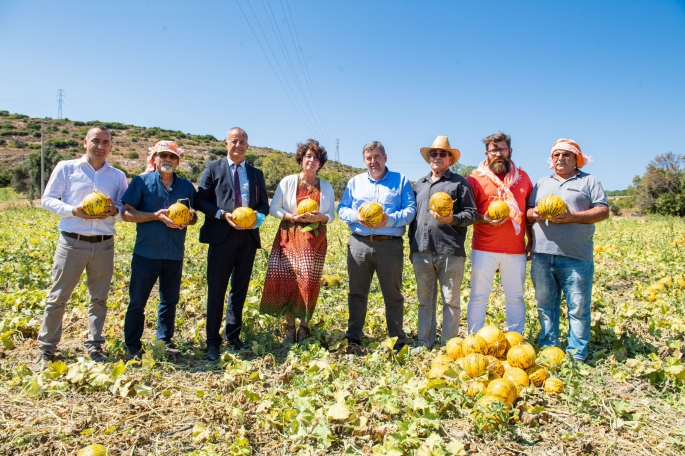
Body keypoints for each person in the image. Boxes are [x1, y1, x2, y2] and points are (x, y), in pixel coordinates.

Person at [36, 126, 128, 369]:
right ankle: (46, 349)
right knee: (58, 297)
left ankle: (94, 344)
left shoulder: (117, 175)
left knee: (99, 298)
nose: (100, 146)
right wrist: (72, 210)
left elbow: (123, 208)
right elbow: (47, 199)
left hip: (104, 245)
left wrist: (115, 211)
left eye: (105, 142)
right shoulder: (67, 168)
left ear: (111, 146)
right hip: (71, 243)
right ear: (85, 142)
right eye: (95, 141)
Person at [527, 138, 609, 363]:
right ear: (551, 160)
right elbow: (527, 212)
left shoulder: (589, 181)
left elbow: (603, 211)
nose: (560, 159)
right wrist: (535, 214)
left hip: (576, 256)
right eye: (556, 155)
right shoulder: (542, 182)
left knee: (578, 307)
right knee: (545, 305)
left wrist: (573, 217)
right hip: (543, 255)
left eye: (566, 155)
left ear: (576, 159)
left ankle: (577, 355)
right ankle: (548, 349)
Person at [196, 127, 269, 361]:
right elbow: (200, 200)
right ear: (226, 143)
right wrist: (220, 214)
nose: (238, 145)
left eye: (243, 141)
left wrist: (255, 220)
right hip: (221, 235)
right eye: (234, 141)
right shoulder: (213, 168)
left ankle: (233, 334)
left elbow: (264, 206)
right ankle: (212, 341)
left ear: (248, 145)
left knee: (240, 288)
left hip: (247, 237)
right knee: (216, 289)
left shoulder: (256, 173)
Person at [121, 141, 197, 360]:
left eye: (172, 157)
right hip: (147, 253)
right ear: (154, 159)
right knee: (138, 301)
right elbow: (127, 213)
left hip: (174, 253)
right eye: (162, 155)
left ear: (178, 162)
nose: (167, 160)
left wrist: (187, 220)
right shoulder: (141, 182)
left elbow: (194, 216)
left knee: (169, 300)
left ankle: (164, 341)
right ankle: (132, 345)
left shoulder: (185, 187)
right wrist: (154, 215)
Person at [338, 141, 416, 351]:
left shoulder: (401, 181)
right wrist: (356, 215)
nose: (373, 161)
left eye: (377, 156)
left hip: (389, 245)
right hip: (359, 243)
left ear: (385, 157)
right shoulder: (355, 182)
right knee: (357, 292)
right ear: (365, 160)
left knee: (393, 294)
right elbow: (342, 209)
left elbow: (410, 211)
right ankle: (353, 336)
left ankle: (397, 339)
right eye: (369, 158)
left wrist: (388, 220)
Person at [260, 139, 335, 345]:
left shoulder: (326, 187)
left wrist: (321, 217)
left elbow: (331, 214)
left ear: (320, 163)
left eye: (316, 157)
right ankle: (290, 329)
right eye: (308, 156)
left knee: (308, 284)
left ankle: (304, 327)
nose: (312, 160)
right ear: (301, 160)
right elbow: (274, 208)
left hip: (314, 240)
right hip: (289, 236)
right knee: (288, 282)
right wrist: (293, 217)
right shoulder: (288, 182)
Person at [409, 136, 477, 350]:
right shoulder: (420, 184)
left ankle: (449, 345)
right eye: (433, 154)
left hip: (450, 250)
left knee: (451, 301)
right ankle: (424, 341)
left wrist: (452, 219)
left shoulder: (459, 183)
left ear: (450, 159)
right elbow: (414, 219)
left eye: (442, 154)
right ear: (429, 158)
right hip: (422, 249)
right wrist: (412, 247)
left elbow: (471, 214)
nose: (437, 157)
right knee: (424, 300)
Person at [466, 132, 533, 335]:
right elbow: (468, 213)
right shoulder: (475, 179)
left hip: (515, 249)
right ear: (487, 153)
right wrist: (484, 218)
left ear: (510, 151)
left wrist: (531, 240)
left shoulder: (523, 178)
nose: (498, 154)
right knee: (478, 295)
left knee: (515, 296)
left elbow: (527, 212)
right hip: (484, 247)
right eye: (494, 150)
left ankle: (516, 337)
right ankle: (474, 337)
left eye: (502, 149)